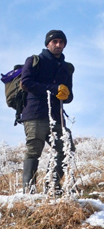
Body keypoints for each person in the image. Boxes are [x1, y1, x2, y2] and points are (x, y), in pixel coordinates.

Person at [20, 29, 74, 195]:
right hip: (35, 114)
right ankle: (29, 191)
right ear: (47, 44)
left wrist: (66, 95)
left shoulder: (67, 67)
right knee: (34, 150)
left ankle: (52, 186)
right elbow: (26, 82)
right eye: (54, 42)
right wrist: (53, 88)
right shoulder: (35, 60)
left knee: (66, 148)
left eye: (61, 42)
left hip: (56, 117)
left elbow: (69, 96)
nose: (58, 45)